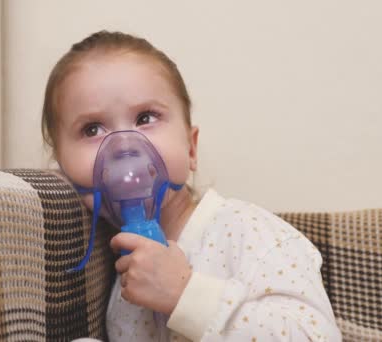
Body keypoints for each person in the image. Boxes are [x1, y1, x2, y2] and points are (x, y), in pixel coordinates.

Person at [41, 30, 341, 341]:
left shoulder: (246, 231)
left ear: (191, 149)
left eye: (145, 118)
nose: (122, 148)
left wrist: (184, 293)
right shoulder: (121, 271)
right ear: (62, 168)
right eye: (92, 129)